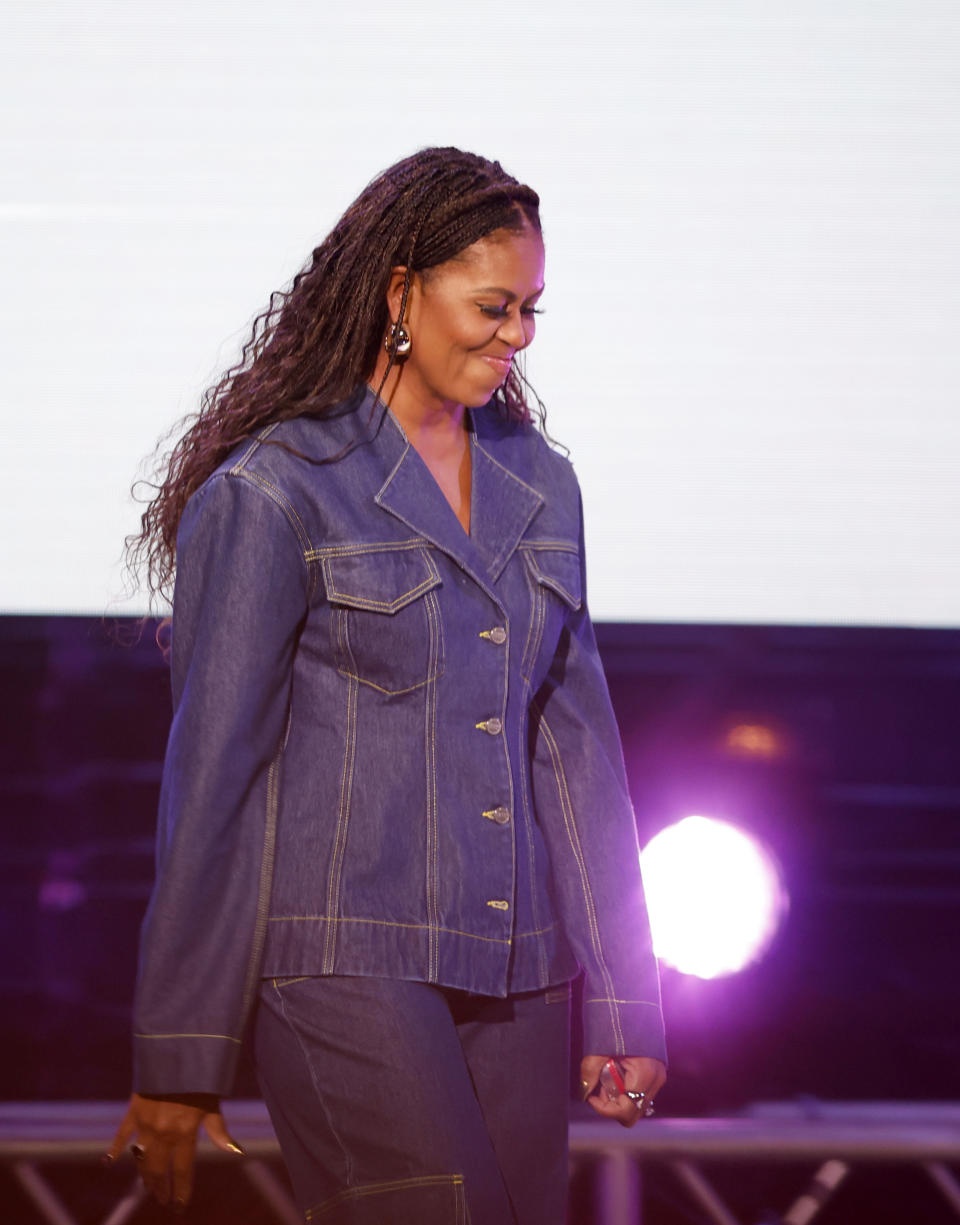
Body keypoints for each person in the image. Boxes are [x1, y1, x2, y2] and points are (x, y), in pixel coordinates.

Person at [106, 146, 667, 1224]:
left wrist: (627, 995)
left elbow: (578, 750)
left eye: (533, 310)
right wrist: (180, 1047)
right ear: (401, 290)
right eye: (494, 306)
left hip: (521, 967)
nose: (519, 337)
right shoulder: (274, 493)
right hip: (342, 963)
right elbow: (214, 786)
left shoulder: (541, 484)